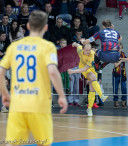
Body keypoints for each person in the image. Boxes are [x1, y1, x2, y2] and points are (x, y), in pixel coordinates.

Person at [0, 10, 68, 146]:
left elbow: (0, 71)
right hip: (39, 105)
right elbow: (53, 72)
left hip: (18, 104)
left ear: (28, 27)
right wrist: (61, 95)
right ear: (46, 27)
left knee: (12, 143)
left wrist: (5, 93)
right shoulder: (48, 47)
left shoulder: (14, 46)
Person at [68, 42, 108, 117]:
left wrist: (73, 71)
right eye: (87, 50)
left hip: (91, 69)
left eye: (89, 50)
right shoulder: (80, 50)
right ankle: (101, 95)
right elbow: (78, 45)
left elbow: (86, 68)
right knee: (94, 78)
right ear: (83, 49)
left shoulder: (91, 55)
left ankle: (89, 108)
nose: (88, 51)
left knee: (92, 89)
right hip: (84, 69)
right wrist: (74, 43)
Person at [112, 42, 128, 108]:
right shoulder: (114, 55)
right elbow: (116, 65)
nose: (119, 49)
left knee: (124, 88)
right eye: (118, 48)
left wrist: (121, 59)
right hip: (116, 74)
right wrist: (120, 61)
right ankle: (115, 101)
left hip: (122, 73)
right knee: (115, 88)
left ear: (122, 48)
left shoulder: (123, 54)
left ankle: (123, 101)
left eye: (120, 48)